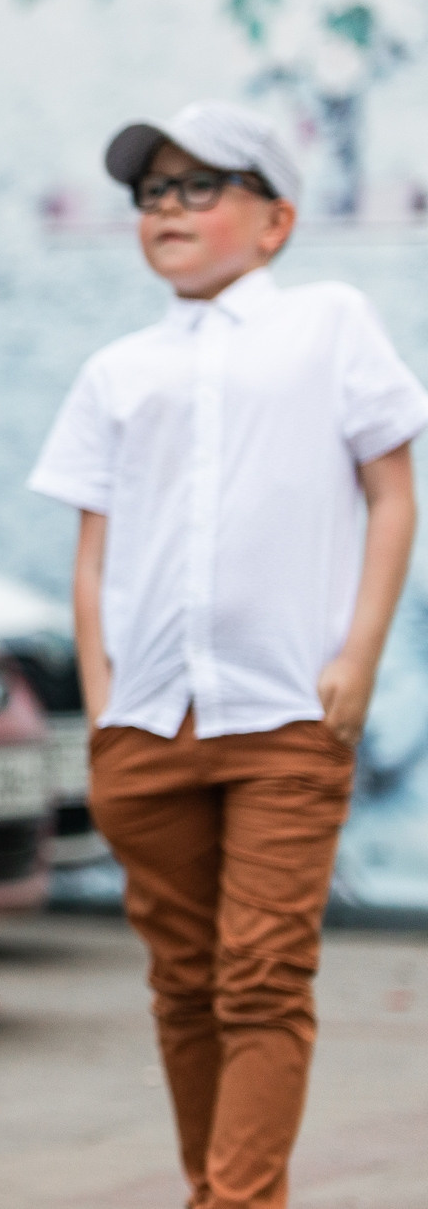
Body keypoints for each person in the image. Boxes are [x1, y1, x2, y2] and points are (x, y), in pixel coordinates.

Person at [29, 100, 428, 1209]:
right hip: (146, 726)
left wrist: (356, 659)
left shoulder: (330, 324)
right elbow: (93, 559)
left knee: (260, 978)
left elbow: (392, 496)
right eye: (151, 191)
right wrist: (103, 708)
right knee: (186, 984)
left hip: (286, 713)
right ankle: (222, 1188)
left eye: (198, 186)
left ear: (274, 220)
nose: (167, 208)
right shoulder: (117, 371)